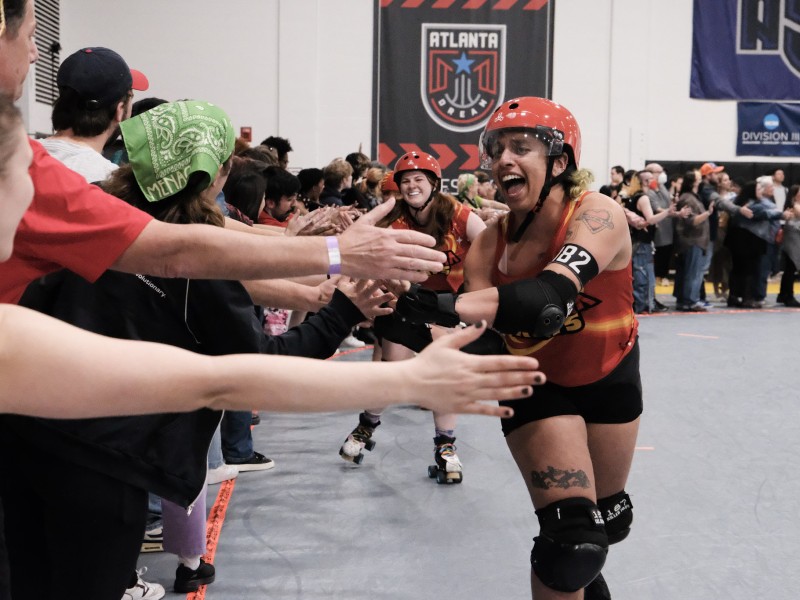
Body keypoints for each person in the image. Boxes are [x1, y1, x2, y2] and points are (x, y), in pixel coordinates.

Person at [0, 94, 544, 599]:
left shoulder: (96, 217)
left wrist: (321, 263)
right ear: (212, 173)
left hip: (26, 441)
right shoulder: (183, 264)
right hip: (107, 463)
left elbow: (209, 256)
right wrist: (353, 307)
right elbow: (238, 363)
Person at [0, 0, 448, 310]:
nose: (36, 50)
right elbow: (175, 250)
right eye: (33, 34)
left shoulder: (45, 159)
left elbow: (203, 236)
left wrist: (314, 249)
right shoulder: (40, 169)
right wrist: (333, 256)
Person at [395, 97, 641, 599]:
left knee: (609, 522)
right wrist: (390, 307)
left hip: (611, 373)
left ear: (559, 162)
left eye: (521, 147)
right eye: (496, 148)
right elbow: (481, 335)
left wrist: (426, 303)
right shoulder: (492, 242)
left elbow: (545, 301)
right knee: (573, 542)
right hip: (538, 386)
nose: (503, 159)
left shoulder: (597, 213)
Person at [338, 151, 486, 482]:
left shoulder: (461, 216)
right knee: (392, 371)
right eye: (405, 181)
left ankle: (446, 447)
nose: (411, 186)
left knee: (443, 372)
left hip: (446, 306)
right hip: (406, 301)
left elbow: (492, 252)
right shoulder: (396, 221)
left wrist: (476, 296)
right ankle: (365, 428)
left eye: (419, 179)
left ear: (434, 184)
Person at [777, 184, 800, 307]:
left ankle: (783, 294)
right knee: (791, 268)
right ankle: (788, 296)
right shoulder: (795, 206)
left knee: (789, 269)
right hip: (793, 240)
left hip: (794, 239)